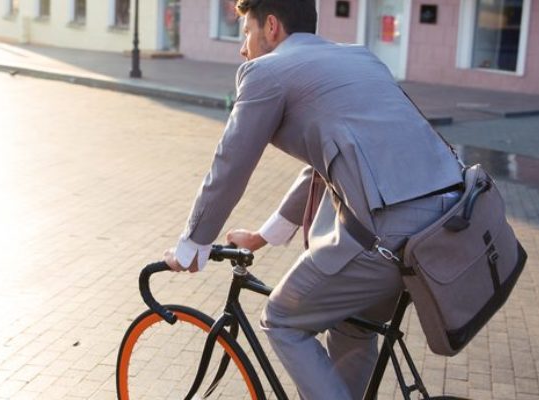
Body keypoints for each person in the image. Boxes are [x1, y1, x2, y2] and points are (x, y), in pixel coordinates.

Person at [162, 0, 463, 398]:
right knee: (351, 327)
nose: (243, 48)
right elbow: (327, 167)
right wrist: (262, 237)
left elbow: (231, 163)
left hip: (387, 237)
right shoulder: (360, 58)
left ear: (271, 27)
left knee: (283, 318)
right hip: (446, 222)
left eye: (246, 33)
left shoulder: (266, 72)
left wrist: (193, 245)